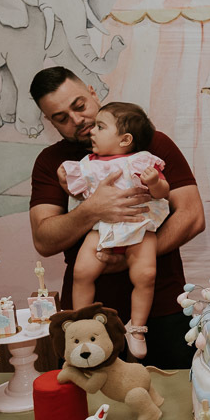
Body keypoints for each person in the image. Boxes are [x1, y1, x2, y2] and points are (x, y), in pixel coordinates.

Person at [29, 66, 205, 369]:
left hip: (161, 305)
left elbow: (192, 215)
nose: (77, 120)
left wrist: (132, 255)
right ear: (49, 121)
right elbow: (44, 239)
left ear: (92, 92)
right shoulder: (51, 162)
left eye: (79, 105)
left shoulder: (150, 144)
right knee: (86, 404)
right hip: (87, 317)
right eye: (61, 118)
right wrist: (92, 209)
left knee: (174, 398)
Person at [59, 102, 171, 359]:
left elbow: (163, 192)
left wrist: (154, 182)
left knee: (146, 275)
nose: (92, 132)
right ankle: (82, 322)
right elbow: (77, 193)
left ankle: (137, 327)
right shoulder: (87, 164)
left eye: (100, 126)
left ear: (125, 139)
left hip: (140, 228)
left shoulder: (141, 161)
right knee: (82, 272)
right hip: (102, 229)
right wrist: (65, 179)